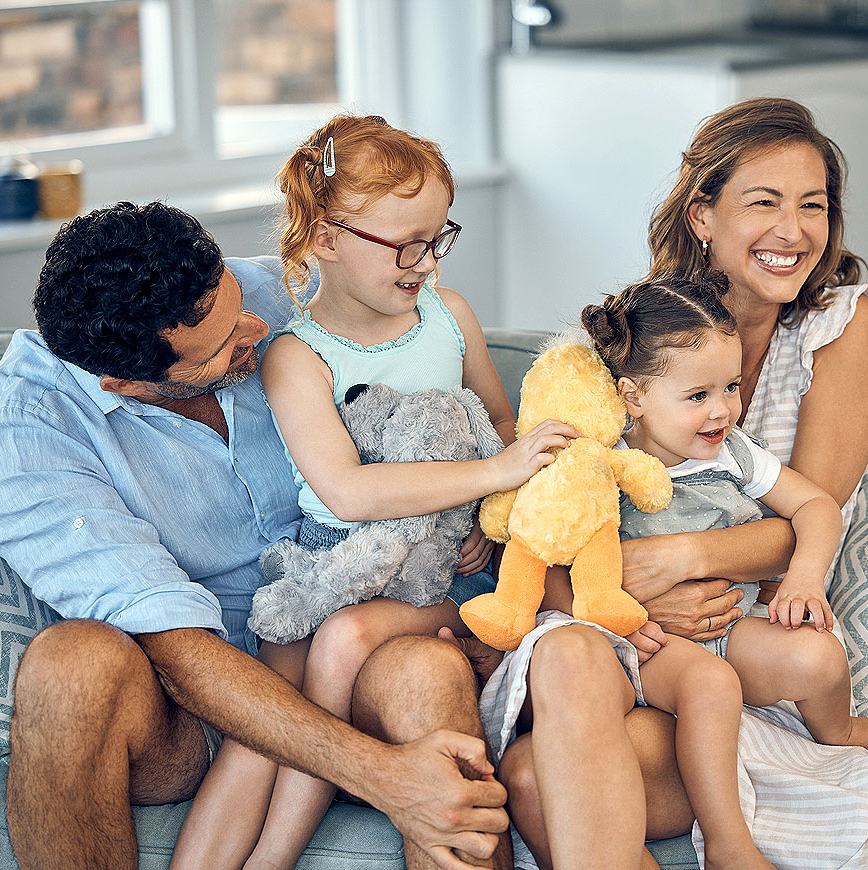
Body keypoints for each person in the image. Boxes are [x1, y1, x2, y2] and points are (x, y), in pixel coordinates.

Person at [0, 200, 513, 870]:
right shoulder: (26, 423)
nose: (257, 324)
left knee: (424, 674)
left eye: (236, 301)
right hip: (198, 703)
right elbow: (174, 649)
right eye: (221, 345)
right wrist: (385, 776)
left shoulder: (281, 293)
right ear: (128, 383)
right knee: (69, 665)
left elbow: (446, 394)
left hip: (354, 628)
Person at [484, 97, 868, 868]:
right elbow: (553, 516)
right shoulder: (637, 339)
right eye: (764, 203)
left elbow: (807, 520)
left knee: (532, 777)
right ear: (702, 215)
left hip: (747, 639)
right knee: (526, 770)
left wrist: (680, 559)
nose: (793, 231)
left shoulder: (840, 325)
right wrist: (617, 592)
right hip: (629, 638)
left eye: (812, 206)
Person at [170, 114, 574, 870]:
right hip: (333, 563)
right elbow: (347, 492)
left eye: (438, 237)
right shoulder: (296, 357)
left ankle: (274, 858)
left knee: (347, 639)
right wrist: (494, 473)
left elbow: (496, 419)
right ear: (326, 238)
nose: (425, 262)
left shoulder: (448, 318)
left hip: (443, 563)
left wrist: (494, 504)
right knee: (263, 729)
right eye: (405, 244)